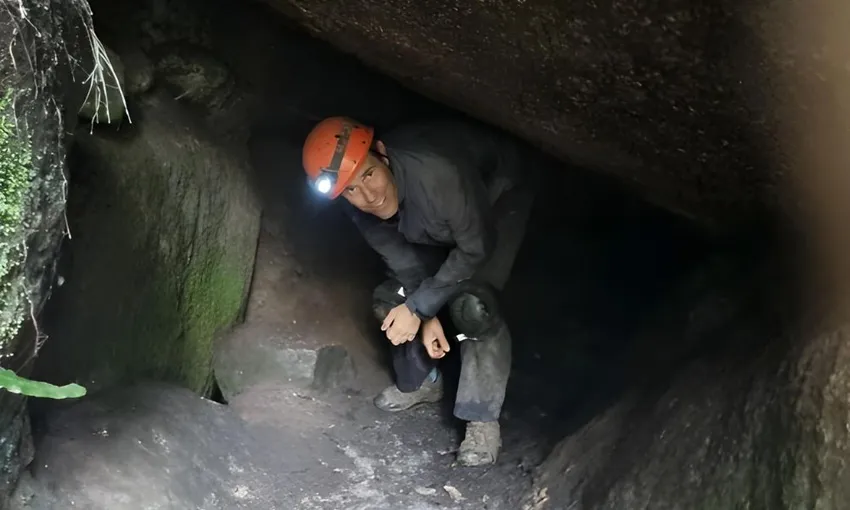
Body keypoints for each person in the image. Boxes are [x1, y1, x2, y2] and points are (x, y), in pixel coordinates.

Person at [301, 116, 534, 466]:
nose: (368, 195)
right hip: (433, 223)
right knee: (391, 302)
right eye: (350, 189)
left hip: (496, 201)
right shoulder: (359, 209)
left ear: (381, 154)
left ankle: (481, 416)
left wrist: (422, 307)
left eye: (368, 174)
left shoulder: (438, 174)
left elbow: (475, 248)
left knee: (473, 307)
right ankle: (427, 378)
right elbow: (405, 264)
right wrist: (422, 316)